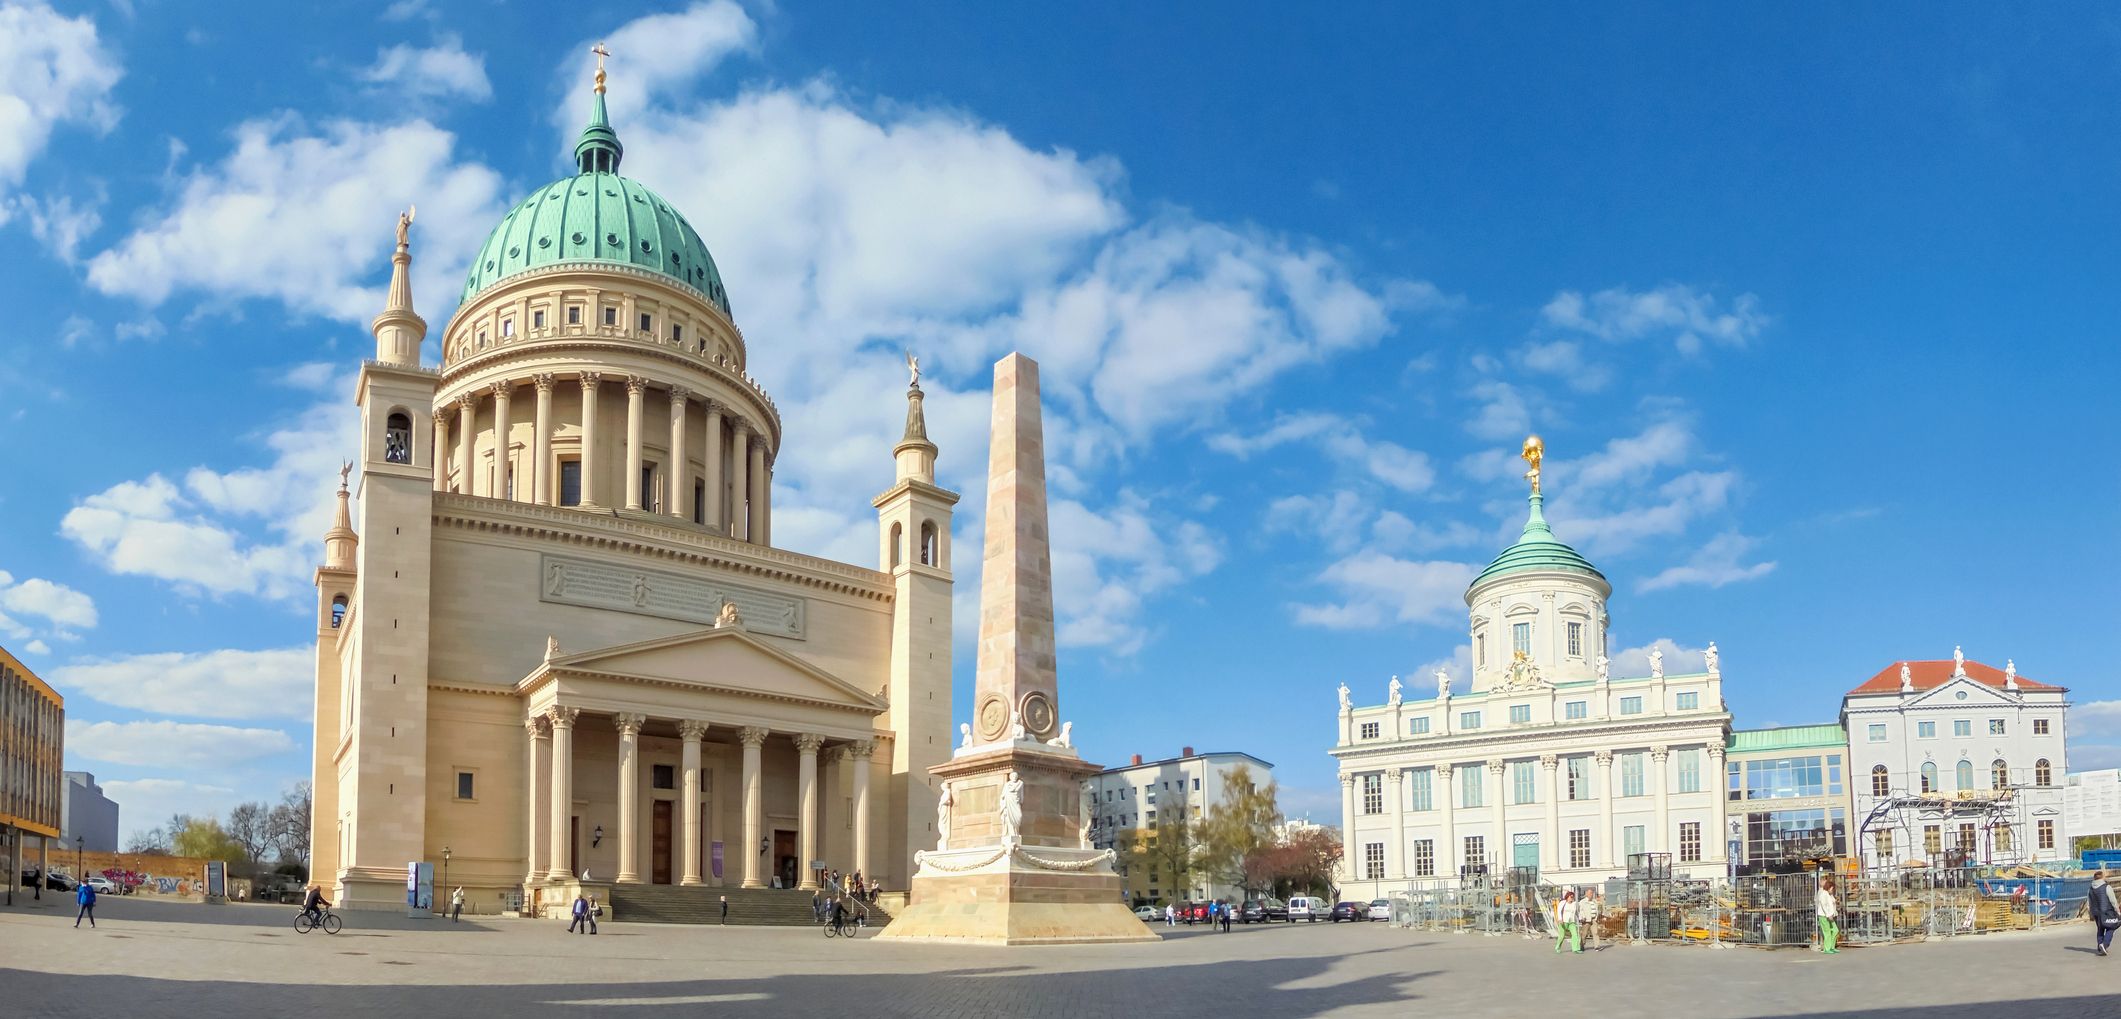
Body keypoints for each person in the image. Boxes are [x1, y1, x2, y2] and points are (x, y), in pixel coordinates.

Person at [2089, 871, 2120, 957]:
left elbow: (2089, 901)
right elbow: (2113, 900)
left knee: (2100, 928)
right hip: (2106, 911)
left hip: (2095, 912)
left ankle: (2100, 946)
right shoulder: (2106, 887)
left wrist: (2091, 912)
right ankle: (2105, 944)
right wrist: (2117, 910)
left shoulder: (2090, 888)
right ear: (2102, 877)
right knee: (2112, 926)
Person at [1814, 875, 1840, 954]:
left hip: (1830, 915)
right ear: (1829, 887)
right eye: (1832, 889)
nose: (1833, 890)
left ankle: (1831, 947)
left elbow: (1831, 903)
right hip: (1824, 916)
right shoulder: (1823, 893)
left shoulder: (1829, 894)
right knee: (1827, 932)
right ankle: (1827, 948)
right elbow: (1824, 905)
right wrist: (1828, 914)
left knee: (1835, 930)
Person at [1553, 889, 1580, 954]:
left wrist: (1580, 918)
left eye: (1573, 897)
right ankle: (1558, 946)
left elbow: (1577, 912)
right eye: (1571, 897)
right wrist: (1560, 919)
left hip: (1571, 922)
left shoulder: (1574, 904)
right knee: (1562, 936)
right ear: (1567, 897)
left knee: (1575, 935)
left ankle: (1575, 949)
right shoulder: (1563, 903)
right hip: (1563, 921)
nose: (1572, 898)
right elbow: (1559, 911)